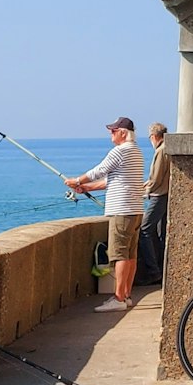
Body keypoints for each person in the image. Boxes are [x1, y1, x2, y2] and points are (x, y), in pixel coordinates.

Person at [64, 117, 145, 312]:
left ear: (123, 133)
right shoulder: (136, 152)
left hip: (121, 210)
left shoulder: (120, 151)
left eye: (113, 131)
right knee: (131, 254)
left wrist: (76, 180)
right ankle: (126, 295)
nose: (111, 134)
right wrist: (86, 188)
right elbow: (112, 181)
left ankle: (117, 298)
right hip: (135, 209)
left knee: (119, 254)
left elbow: (99, 171)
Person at [138, 121, 170, 284]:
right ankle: (162, 270)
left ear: (154, 136)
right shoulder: (167, 149)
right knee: (161, 234)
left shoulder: (160, 151)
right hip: (165, 195)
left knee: (144, 231)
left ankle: (153, 271)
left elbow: (156, 178)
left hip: (159, 196)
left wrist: (146, 191)